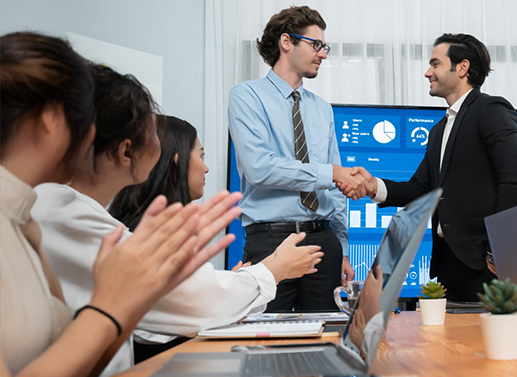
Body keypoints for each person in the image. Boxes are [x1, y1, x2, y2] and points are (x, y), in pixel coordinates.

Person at [31, 68, 323, 375]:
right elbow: (187, 300)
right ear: (126, 149)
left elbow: (167, 302)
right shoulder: (60, 211)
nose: (208, 168)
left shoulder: (75, 210)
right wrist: (272, 269)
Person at [0, 31, 236, 377]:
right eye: (85, 117)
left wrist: (130, 300)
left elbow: (74, 362)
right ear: (51, 118)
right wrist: (109, 307)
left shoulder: (24, 222)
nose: (93, 135)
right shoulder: (37, 213)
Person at [339, 33, 517, 302]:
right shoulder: (439, 130)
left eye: (435, 64)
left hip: (487, 265)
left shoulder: (491, 109)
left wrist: (498, 251)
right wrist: (374, 186)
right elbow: (421, 189)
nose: (427, 72)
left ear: (462, 68)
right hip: (449, 265)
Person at [227, 5, 359, 311]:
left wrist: (342, 248)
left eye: (324, 47)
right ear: (287, 42)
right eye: (316, 45)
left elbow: (335, 187)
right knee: (265, 343)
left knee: (324, 342)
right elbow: (260, 168)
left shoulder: (322, 108)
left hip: (323, 242)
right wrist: (332, 174)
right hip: (270, 242)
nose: (323, 54)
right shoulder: (246, 97)